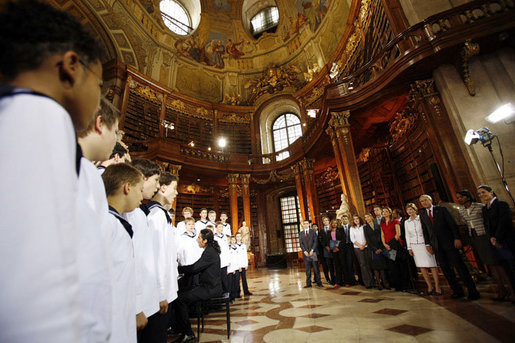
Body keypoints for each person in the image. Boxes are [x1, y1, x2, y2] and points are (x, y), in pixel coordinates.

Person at [0, 1, 103, 341]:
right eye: (100, 84)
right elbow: (35, 285)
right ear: (71, 67)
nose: (100, 99)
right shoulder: (40, 116)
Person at [76, 98, 120, 342]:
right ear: (100, 123)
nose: (116, 140)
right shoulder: (83, 173)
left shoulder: (88, 173)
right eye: (115, 132)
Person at [102, 163, 145, 343]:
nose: (142, 197)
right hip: (110, 318)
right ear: (127, 187)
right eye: (140, 190)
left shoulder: (114, 222)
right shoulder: (107, 223)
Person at [123, 159, 163, 343]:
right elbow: (134, 260)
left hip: (148, 297)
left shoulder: (139, 211)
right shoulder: (132, 213)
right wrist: (138, 306)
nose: (157, 186)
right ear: (143, 178)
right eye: (155, 180)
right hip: (140, 302)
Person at [419, 194, 480, 300]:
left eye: (425, 200)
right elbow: (425, 231)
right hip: (437, 245)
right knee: (446, 269)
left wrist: (457, 238)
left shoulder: (442, 210)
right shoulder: (423, 215)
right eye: (422, 201)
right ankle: (457, 291)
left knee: (459, 266)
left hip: (449, 242)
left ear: (430, 200)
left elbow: (452, 224)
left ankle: (472, 291)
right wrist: (428, 244)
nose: (424, 202)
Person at [147, 172, 179, 340]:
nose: (177, 193)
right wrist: (160, 294)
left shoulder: (162, 214)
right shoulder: (155, 217)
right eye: (175, 188)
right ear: (164, 188)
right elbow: (155, 259)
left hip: (167, 290)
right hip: (161, 294)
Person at [174, 229, 222, 343]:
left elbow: (195, 268)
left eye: (199, 238)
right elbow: (196, 268)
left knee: (179, 299)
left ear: (205, 241)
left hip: (211, 289)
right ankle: (179, 328)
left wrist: (177, 268)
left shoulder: (209, 252)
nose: (197, 240)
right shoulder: (209, 250)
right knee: (181, 292)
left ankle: (188, 334)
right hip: (208, 286)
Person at [477, 185, 515, 302]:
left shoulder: (501, 204)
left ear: (491, 192)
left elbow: (504, 222)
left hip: (505, 240)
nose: (481, 195)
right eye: (479, 194)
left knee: (513, 267)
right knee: (506, 268)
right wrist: (492, 238)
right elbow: (487, 225)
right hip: (494, 241)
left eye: (483, 192)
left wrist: (497, 238)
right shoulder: (485, 209)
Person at [405, 203, 441, 295]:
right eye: (408, 210)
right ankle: (429, 286)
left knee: (432, 265)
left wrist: (429, 243)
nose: (410, 211)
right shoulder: (406, 222)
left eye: (411, 209)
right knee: (421, 266)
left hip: (424, 244)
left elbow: (427, 231)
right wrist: (409, 247)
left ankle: (437, 286)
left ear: (415, 210)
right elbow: (407, 235)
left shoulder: (421, 218)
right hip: (414, 245)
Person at [380, 207, 409, 291]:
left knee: (400, 265)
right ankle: (396, 285)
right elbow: (382, 235)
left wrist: (391, 244)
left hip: (396, 245)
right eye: (383, 212)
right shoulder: (382, 224)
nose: (384, 213)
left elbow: (398, 233)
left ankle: (404, 285)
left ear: (390, 213)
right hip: (388, 246)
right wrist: (385, 244)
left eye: (386, 211)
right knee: (393, 265)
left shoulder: (395, 221)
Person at [363, 213, 389, 290]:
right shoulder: (365, 228)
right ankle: (378, 283)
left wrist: (381, 247)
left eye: (368, 216)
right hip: (373, 249)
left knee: (382, 266)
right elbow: (368, 240)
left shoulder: (378, 225)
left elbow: (382, 236)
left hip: (381, 247)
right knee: (375, 267)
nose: (367, 218)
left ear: (371, 217)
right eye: (365, 217)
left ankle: (385, 282)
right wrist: (374, 249)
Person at [350, 215, 374, 288]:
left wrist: (364, 244)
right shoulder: (352, 228)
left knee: (369, 264)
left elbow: (367, 236)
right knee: (362, 265)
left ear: (360, 219)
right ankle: (367, 283)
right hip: (358, 248)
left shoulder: (364, 226)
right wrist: (360, 246)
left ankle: (372, 281)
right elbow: (352, 239)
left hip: (366, 247)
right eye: (354, 219)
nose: (356, 220)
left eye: (357, 218)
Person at [299, 220, 323, 288]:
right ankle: (308, 283)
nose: (306, 225)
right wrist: (305, 251)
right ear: (303, 225)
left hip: (313, 252)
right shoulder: (301, 233)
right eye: (304, 224)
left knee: (316, 268)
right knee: (307, 268)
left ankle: (319, 282)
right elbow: (301, 244)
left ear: (309, 224)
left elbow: (315, 242)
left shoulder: (313, 232)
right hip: (306, 253)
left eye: (307, 223)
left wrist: (312, 250)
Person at [340, 215, 356, 286]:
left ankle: (352, 280)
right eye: (343, 219)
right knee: (344, 264)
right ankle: (347, 281)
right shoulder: (339, 228)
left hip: (350, 246)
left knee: (350, 264)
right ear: (341, 220)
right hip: (343, 248)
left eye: (346, 219)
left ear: (348, 219)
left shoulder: (351, 227)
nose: (344, 220)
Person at [214, 221, 231, 294]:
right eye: (219, 227)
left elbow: (227, 249)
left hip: (224, 261)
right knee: (219, 279)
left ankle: (227, 295)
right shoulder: (214, 237)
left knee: (225, 279)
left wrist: (228, 260)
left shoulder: (224, 236)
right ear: (216, 228)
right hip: (217, 261)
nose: (221, 229)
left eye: (222, 227)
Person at [318, 216, 335, 285]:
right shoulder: (321, 231)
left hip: (333, 248)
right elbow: (321, 240)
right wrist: (326, 246)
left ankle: (336, 279)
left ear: (329, 221)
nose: (325, 222)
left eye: (326, 220)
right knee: (329, 265)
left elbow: (334, 238)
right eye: (324, 221)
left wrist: (332, 247)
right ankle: (331, 280)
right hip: (326, 250)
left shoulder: (332, 229)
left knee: (335, 265)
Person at [329, 219, 343, 288]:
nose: (334, 224)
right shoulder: (329, 231)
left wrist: (338, 248)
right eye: (333, 223)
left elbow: (342, 239)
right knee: (336, 266)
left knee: (342, 265)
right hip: (333, 250)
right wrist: (333, 248)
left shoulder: (340, 230)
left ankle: (343, 281)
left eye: (335, 223)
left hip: (340, 249)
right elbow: (329, 240)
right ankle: (338, 282)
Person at [228, 235, 240, 301]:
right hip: (232, 268)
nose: (233, 241)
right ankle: (232, 295)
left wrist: (239, 266)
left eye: (234, 240)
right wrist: (232, 268)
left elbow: (238, 258)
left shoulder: (237, 247)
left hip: (237, 266)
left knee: (237, 281)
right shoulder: (229, 248)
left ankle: (236, 294)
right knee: (232, 282)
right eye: (231, 240)